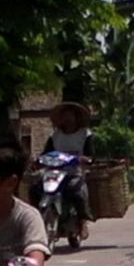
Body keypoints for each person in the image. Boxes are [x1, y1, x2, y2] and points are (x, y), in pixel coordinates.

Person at [39, 102, 95, 238]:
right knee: (35, 190)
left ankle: (82, 222)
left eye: (70, 116)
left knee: (77, 194)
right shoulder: (55, 136)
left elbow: (91, 155)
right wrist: (37, 162)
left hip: (75, 173)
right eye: (65, 116)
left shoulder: (85, 134)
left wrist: (84, 159)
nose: (67, 119)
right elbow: (46, 153)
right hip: (54, 173)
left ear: (76, 117)